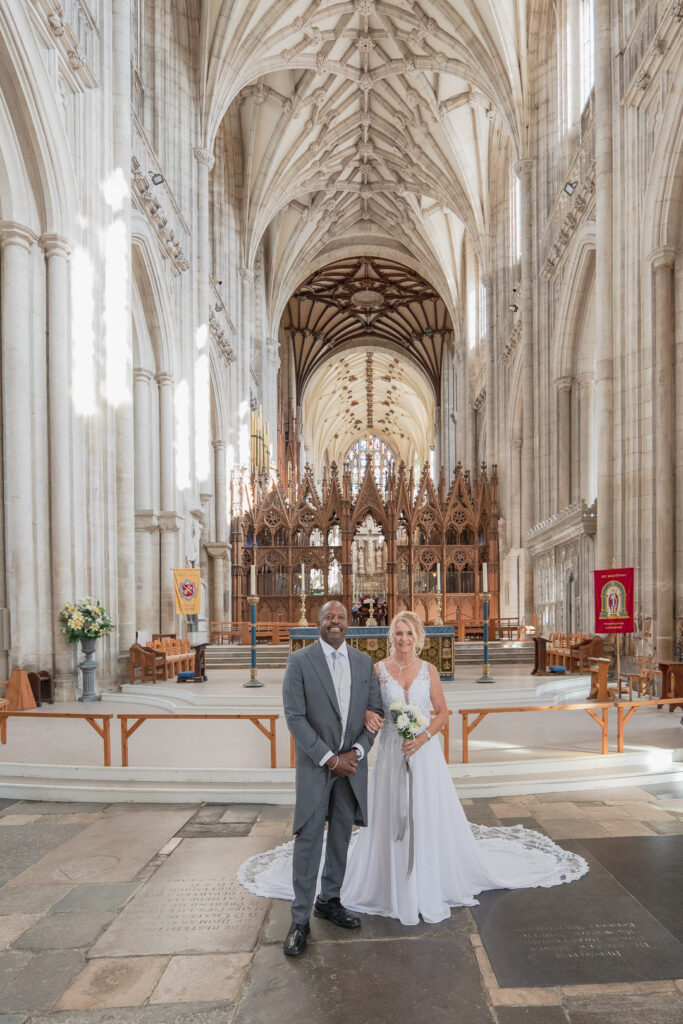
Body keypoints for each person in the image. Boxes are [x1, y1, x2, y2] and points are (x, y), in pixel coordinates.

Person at [239, 610, 588, 927]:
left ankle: (426, 881)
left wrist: (422, 738)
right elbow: (363, 705)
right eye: (398, 633)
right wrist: (366, 717)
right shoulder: (374, 668)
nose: (403, 639)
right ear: (391, 637)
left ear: (418, 637)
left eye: (408, 633)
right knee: (389, 818)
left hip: (423, 755)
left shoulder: (428, 670)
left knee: (425, 816)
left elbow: (441, 712)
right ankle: (381, 888)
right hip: (391, 754)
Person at [279, 600, 383, 956]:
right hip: (316, 766)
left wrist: (356, 753)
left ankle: (330, 900)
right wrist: (328, 757)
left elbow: (376, 713)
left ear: (349, 623)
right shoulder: (299, 661)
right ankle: (299, 920)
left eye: (340, 617)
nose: (334, 623)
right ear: (318, 623)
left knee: (340, 835)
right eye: (328, 618)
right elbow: (294, 717)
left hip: (351, 768)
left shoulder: (364, 662)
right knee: (309, 838)